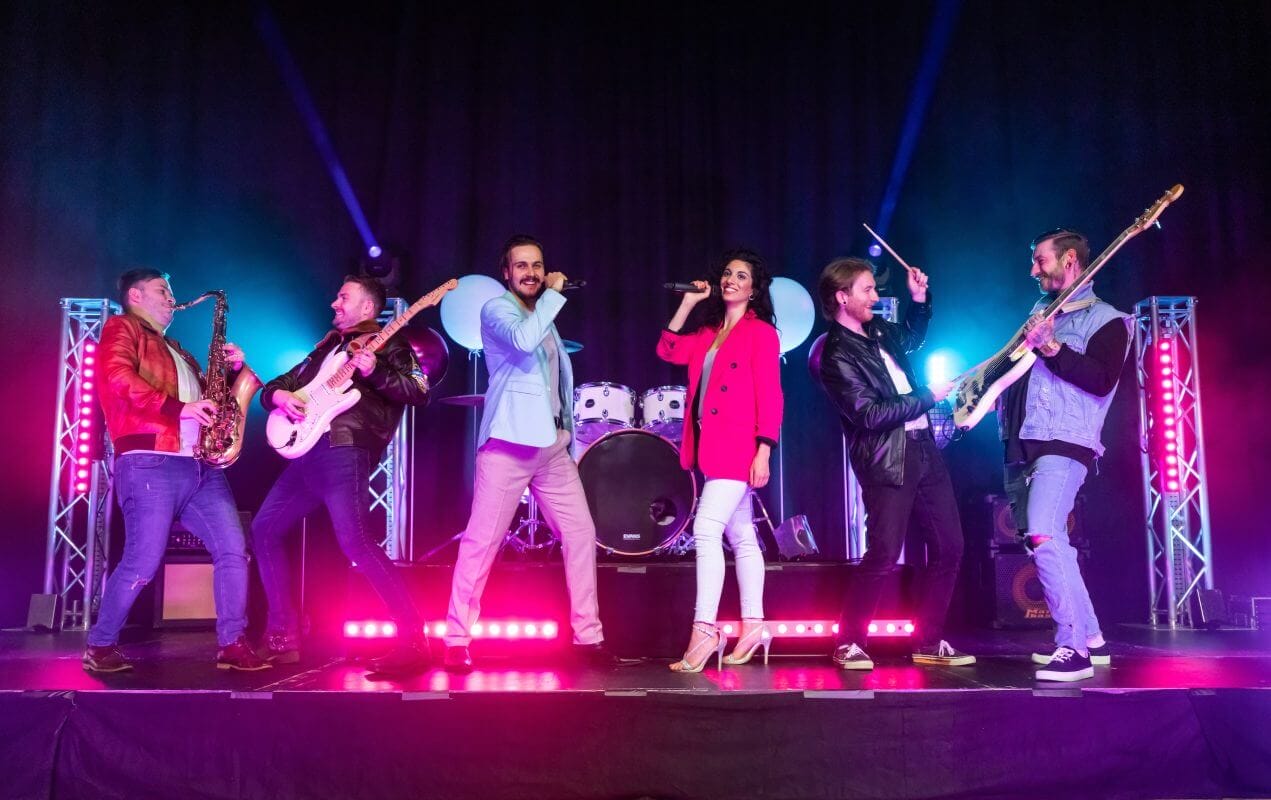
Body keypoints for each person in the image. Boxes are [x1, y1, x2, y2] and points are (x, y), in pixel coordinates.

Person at [443, 235, 632, 673]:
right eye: (522, 266)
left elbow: (554, 377)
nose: (531, 273)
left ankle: (588, 637)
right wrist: (552, 295)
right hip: (508, 447)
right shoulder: (497, 310)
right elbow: (523, 342)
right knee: (482, 542)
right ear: (506, 273)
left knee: (581, 534)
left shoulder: (543, 315)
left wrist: (565, 430)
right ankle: (456, 638)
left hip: (551, 448)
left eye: (537, 265)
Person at [84, 268, 268, 673]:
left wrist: (231, 371)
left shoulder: (177, 349)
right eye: (162, 290)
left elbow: (204, 399)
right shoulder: (122, 327)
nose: (172, 298)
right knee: (143, 561)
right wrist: (177, 408)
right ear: (136, 295)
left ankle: (232, 643)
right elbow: (116, 377)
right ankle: (100, 646)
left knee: (233, 550)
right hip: (150, 460)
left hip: (199, 464)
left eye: (171, 291)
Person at [253, 274, 431, 677]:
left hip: (344, 448)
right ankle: (282, 638)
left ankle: (414, 641)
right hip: (307, 452)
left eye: (343, 297)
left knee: (356, 543)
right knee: (263, 530)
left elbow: (419, 389)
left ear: (367, 307)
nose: (334, 303)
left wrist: (375, 371)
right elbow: (280, 384)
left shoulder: (390, 343)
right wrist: (279, 395)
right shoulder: (328, 347)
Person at [816, 257, 974, 670]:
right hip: (888, 458)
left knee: (950, 547)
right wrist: (927, 396)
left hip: (924, 449)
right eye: (867, 290)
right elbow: (869, 414)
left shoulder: (879, 330)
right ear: (842, 297)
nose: (875, 297)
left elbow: (912, 337)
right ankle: (849, 641)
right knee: (884, 552)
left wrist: (919, 300)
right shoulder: (835, 353)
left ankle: (928, 640)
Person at [1003, 229, 1130, 682]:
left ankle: (1072, 649)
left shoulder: (1108, 320)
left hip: (1066, 441)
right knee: (1048, 538)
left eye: (1040, 260)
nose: (1032, 270)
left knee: (1044, 533)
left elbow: (1101, 380)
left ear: (1069, 259)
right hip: (1027, 442)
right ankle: (1092, 639)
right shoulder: (1041, 313)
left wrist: (1052, 347)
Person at [655, 249, 784, 672]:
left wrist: (764, 448)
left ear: (754, 289)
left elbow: (771, 393)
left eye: (741, 276)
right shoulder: (709, 332)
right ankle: (754, 625)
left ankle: (704, 629)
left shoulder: (761, 333)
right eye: (728, 273)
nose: (731, 280)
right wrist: (688, 302)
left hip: (738, 445)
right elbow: (668, 350)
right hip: (711, 446)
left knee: (706, 529)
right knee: (742, 535)